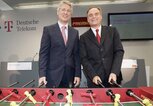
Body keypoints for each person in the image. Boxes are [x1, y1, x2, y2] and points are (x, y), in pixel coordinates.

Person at [38, 0, 81, 88]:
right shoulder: (48, 30)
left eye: (68, 11)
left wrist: (78, 74)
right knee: (52, 101)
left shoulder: (75, 32)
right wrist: (42, 74)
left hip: (70, 76)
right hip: (52, 76)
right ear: (58, 12)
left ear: (71, 14)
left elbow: (76, 55)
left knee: (69, 101)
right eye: (63, 10)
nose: (66, 12)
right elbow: (43, 54)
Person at [80, 7, 124, 88]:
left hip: (113, 78)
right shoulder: (83, 38)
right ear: (87, 19)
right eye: (90, 15)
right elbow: (83, 59)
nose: (94, 17)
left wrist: (114, 72)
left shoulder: (112, 31)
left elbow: (119, 51)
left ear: (101, 16)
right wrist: (93, 75)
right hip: (95, 81)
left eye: (96, 14)